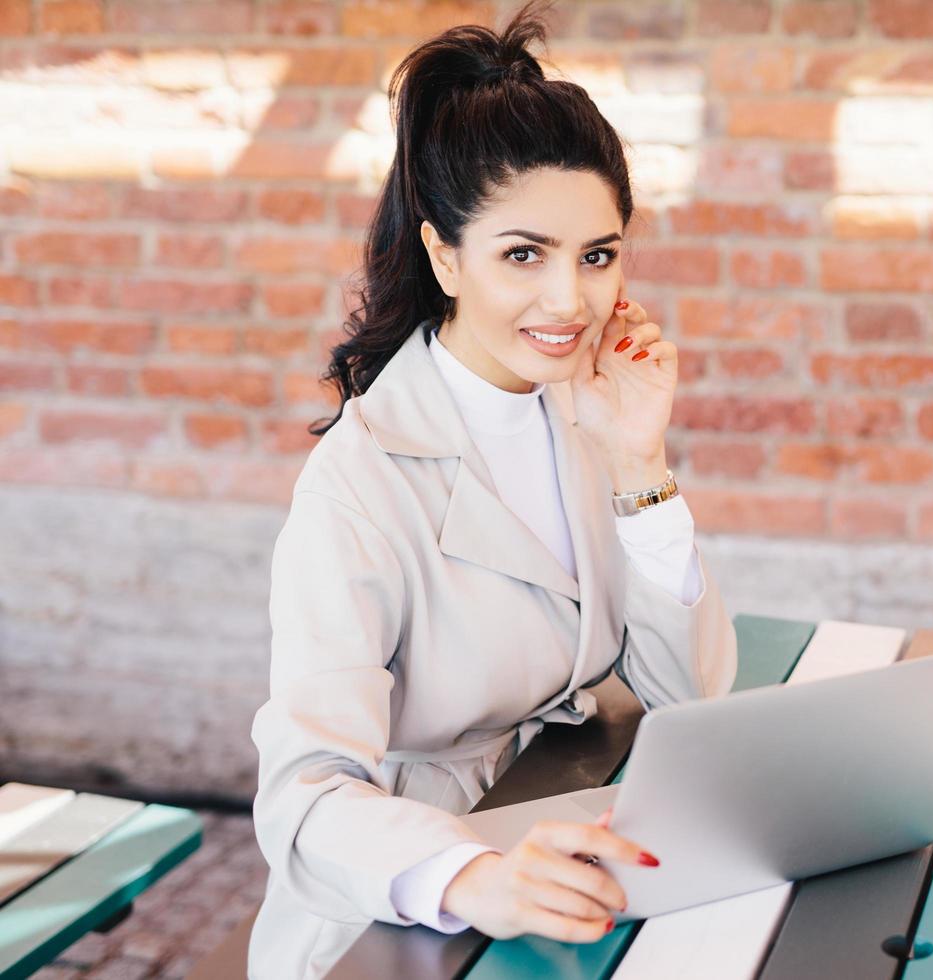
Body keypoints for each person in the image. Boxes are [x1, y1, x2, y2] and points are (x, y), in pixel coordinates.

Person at [246, 4, 739, 976]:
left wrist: (643, 462)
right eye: (525, 254)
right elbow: (301, 795)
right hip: (400, 906)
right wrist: (473, 873)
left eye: (597, 255)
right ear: (444, 256)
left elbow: (693, 693)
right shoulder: (361, 481)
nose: (569, 301)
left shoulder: (585, 409)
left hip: (556, 828)